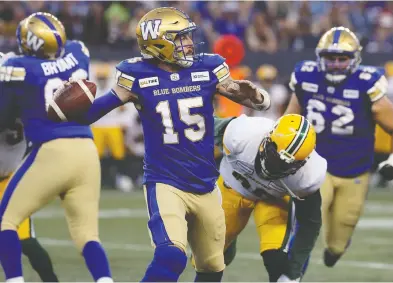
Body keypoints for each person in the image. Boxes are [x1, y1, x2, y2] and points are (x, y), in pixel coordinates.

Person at [62, 6, 270, 282]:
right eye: (180, 38)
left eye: (187, 37)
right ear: (159, 43)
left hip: (206, 183)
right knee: (171, 255)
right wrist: (65, 106)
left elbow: (259, 101)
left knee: (212, 268)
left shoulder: (208, 67)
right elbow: (91, 114)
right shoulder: (135, 75)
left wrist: (255, 95)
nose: (188, 43)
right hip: (165, 181)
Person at [0, 12, 112, 282]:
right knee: (87, 235)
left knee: (6, 223)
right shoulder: (78, 52)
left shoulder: (17, 68)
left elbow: (4, 114)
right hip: (86, 149)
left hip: (51, 150)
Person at [285, 26, 393, 267]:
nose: (335, 64)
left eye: (341, 59)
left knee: (340, 235)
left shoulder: (367, 83)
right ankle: (289, 273)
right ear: (319, 58)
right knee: (308, 225)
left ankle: (335, 250)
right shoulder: (306, 76)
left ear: (354, 59)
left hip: (355, 169)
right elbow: (289, 121)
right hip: (315, 164)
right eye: (330, 58)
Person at [207, 114, 326, 282]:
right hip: (233, 189)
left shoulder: (307, 177)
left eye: (286, 165)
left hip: (272, 200)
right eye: (274, 157)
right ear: (267, 139)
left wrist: (293, 273)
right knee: (209, 260)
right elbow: (201, 123)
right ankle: (228, 246)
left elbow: (310, 223)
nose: (276, 167)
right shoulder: (243, 133)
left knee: (276, 259)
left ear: (301, 164)